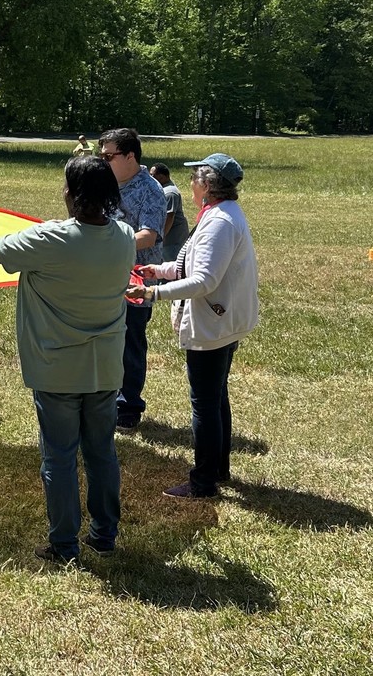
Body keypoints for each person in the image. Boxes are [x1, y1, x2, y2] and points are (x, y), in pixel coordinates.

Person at [0, 157, 136, 563]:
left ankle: (64, 544)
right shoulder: (125, 236)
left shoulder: (50, 239)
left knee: (59, 457)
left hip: (57, 370)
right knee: (102, 452)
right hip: (106, 367)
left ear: (71, 194)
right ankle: (104, 534)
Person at [129, 153, 259, 499]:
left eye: (194, 179)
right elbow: (195, 263)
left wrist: (153, 292)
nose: (190, 184)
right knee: (215, 398)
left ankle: (203, 482)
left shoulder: (219, 222)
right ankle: (217, 469)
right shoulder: (218, 215)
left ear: (206, 184)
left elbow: (203, 279)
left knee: (204, 402)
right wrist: (162, 270)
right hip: (222, 320)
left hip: (213, 324)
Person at [98, 128, 167, 432]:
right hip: (104, 276)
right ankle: (106, 400)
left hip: (135, 281)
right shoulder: (106, 184)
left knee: (130, 342)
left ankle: (128, 408)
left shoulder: (150, 190)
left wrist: (112, 242)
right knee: (105, 340)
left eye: (108, 156)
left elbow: (149, 235)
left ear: (129, 156)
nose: (103, 161)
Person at [150, 163, 190, 262]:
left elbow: (169, 217)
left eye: (152, 175)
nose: (150, 178)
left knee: (172, 267)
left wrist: (160, 238)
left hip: (173, 240)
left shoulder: (170, 193)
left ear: (162, 177)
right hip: (168, 241)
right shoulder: (163, 189)